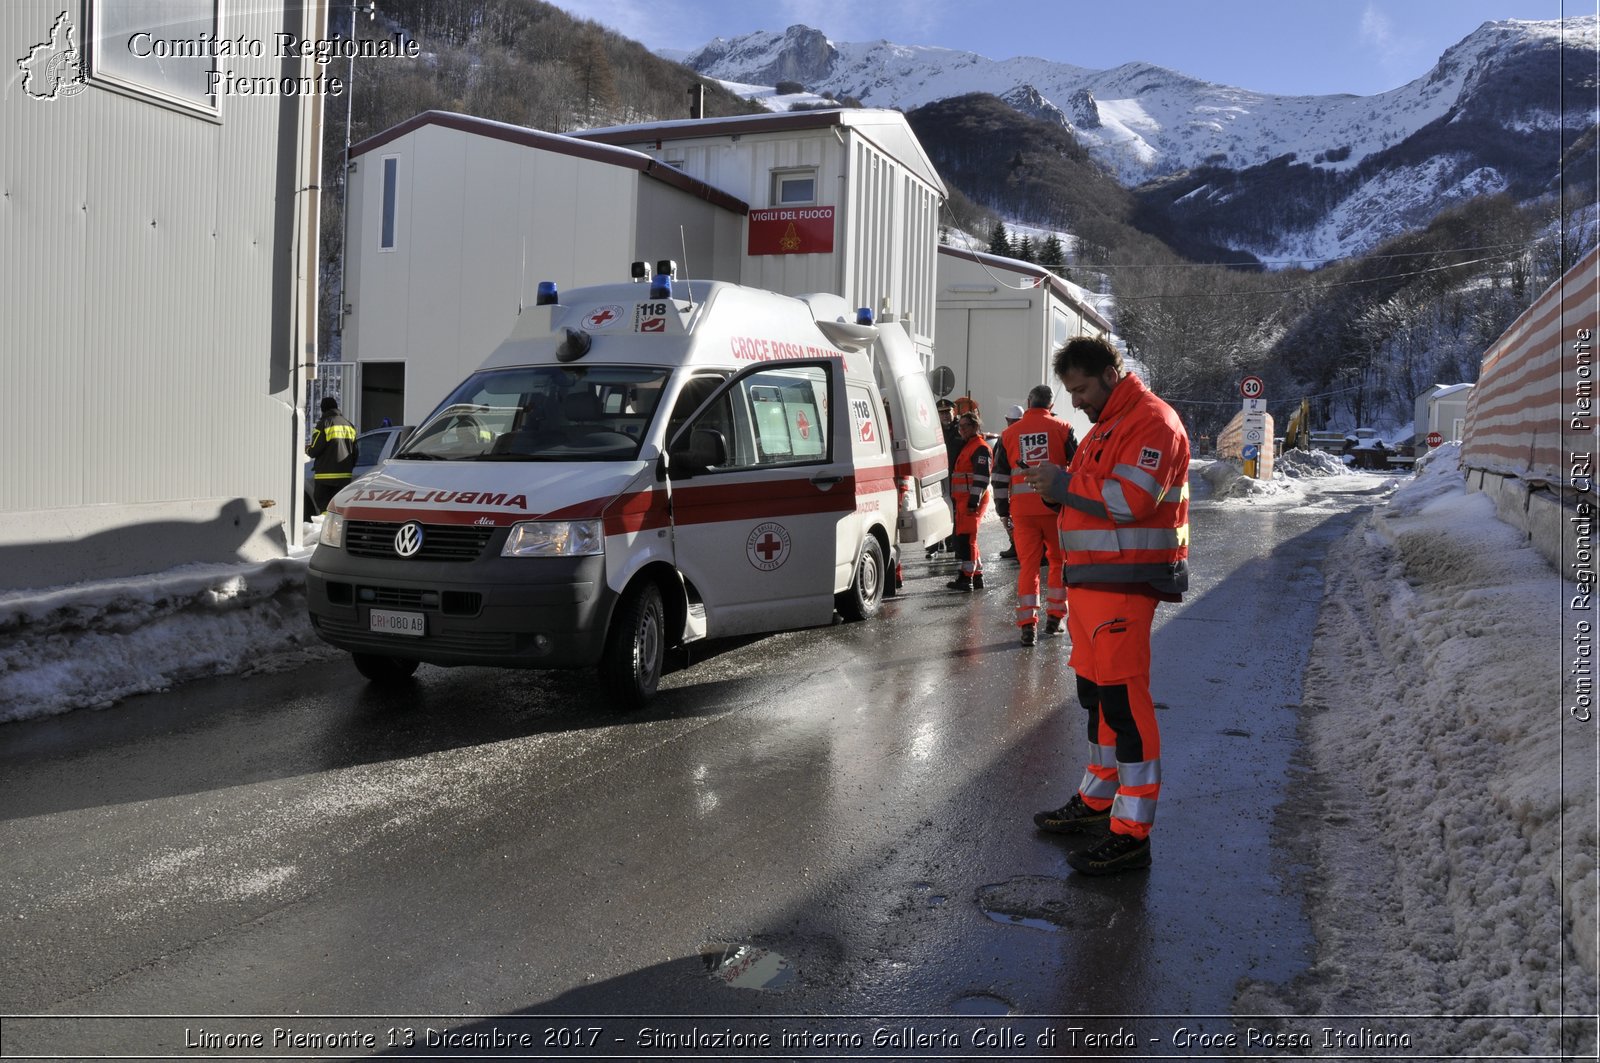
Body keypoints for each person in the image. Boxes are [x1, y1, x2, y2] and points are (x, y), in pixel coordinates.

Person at [1022, 336, 1189, 876]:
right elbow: (1095, 493)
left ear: (1113, 373)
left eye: (1084, 388)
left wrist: (1065, 485)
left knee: (1124, 705)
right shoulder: (1107, 428)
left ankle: (1131, 832)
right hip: (1093, 587)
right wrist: (1057, 491)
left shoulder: (1153, 423)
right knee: (1095, 698)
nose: (1077, 401)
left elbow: (1133, 500)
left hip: (1124, 585)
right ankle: (1097, 802)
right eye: (1070, 391)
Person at [993, 386, 1078, 645]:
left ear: (1028, 402)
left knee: (1028, 566)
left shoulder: (1009, 434)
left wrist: (1002, 509)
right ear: (1050, 406)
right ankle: (1055, 617)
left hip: (1022, 512)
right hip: (1054, 508)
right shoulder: (1063, 428)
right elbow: (1078, 469)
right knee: (1058, 562)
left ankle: (1027, 625)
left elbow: (998, 476)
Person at [947, 409, 992, 592]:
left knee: (966, 539)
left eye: (966, 426)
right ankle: (977, 575)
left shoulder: (979, 447)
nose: (962, 430)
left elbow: (981, 478)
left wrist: (973, 501)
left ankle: (967, 578)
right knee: (968, 538)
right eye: (960, 427)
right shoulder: (969, 445)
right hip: (964, 499)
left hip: (971, 499)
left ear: (975, 426)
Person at [306, 395, 358, 514]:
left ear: (323, 409)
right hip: (344, 475)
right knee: (339, 507)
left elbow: (314, 451)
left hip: (325, 476)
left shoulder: (324, 424)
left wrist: (307, 449)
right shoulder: (349, 425)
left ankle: (325, 528)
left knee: (324, 505)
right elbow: (355, 452)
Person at [929, 398, 962, 558]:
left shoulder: (961, 428)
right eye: (941, 413)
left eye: (947, 412)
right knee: (936, 508)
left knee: (954, 509)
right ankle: (934, 545)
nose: (945, 416)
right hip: (938, 476)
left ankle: (952, 542)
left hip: (956, 476)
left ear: (953, 412)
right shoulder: (933, 430)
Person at [997, 404, 1026, 561]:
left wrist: (1000, 503)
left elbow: (999, 469)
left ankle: (1016, 545)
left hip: (1013, 486)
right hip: (1026, 486)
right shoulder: (1025, 432)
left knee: (1009, 518)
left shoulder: (1006, 436)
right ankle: (1016, 545)